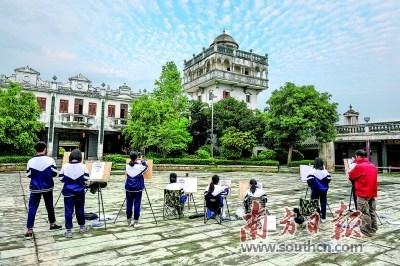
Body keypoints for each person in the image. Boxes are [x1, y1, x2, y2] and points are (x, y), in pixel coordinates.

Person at [25, 141, 62, 238]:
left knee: (32, 208)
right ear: (45, 149)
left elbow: (28, 174)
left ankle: (29, 229)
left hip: (35, 188)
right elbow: (54, 173)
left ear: (35, 149)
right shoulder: (50, 160)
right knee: (49, 206)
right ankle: (52, 224)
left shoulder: (30, 161)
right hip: (47, 187)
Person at [59, 149, 89, 238]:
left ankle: (68, 231)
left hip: (68, 191)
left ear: (70, 156)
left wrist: (68, 181)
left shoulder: (65, 166)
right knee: (80, 209)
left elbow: (61, 178)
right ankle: (82, 227)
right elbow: (86, 178)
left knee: (68, 211)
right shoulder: (83, 166)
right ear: (80, 157)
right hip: (80, 191)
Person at [348, 149, 378, 237]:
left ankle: (367, 231)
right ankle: (374, 228)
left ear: (358, 156)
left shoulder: (359, 166)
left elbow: (351, 176)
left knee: (364, 213)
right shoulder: (373, 166)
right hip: (372, 192)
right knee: (372, 211)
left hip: (362, 193)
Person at [125, 151, 148, 227]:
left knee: (129, 204)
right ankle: (135, 222)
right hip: (137, 188)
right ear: (136, 157)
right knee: (137, 204)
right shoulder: (140, 167)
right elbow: (146, 167)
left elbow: (132, 165)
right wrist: (141, 160)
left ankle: (128, 221)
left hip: (128, 187)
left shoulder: (127, 166)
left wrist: (137, 162)